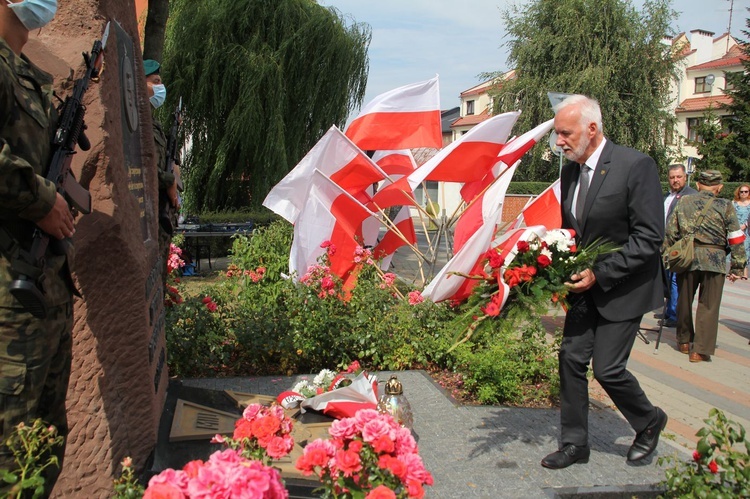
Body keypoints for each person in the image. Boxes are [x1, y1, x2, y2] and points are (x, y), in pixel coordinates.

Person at [541, 94, 667, 469]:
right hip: (584, 287)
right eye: (557, 133)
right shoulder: (569, 172)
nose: (559, 141)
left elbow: (649, 237)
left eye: (565, 133)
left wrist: (601, 272)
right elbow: (573, 231)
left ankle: (649, 421)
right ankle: (575, 444)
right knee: (570, 359)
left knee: (608, 369)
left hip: (624, 286)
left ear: (591, 129)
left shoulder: (636, 166)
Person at [1, 0, 74, 495]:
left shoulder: (23, 70)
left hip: (43, 288)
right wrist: (43, 199)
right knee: (10, 450)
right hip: (8, 292)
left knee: (43, 442)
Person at [665, 170, 746, 363]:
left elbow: (670, 232)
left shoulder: (683, 202)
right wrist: (737, 266)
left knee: (683, 300)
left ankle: (684, 341)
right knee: (708, 305)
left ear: (699, 185)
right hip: (715, 259)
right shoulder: (725, 205)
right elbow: (735, 237)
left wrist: (669, 258)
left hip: (688, 258)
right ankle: (700, 350)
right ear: (719, 187)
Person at [143, 59, 181, 287]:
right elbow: (145, 167)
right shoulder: (140, 121)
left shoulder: (154, 123)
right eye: (155, 82)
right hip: (149, 213)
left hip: (160, 212)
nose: (160, 87)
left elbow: (165, 161)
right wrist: (169, 182)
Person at [661, 164, 696, 328]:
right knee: (667, 279)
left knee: (675, 281)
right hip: (665, 245)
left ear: (685, 177)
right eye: (672, 177)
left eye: (678, 177)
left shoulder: (691, 196)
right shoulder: (667, 196)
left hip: (680, 246)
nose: (675, 180)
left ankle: (675, 315)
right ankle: (669, 311)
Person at [731, 183, 750, 278]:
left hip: (747, 231)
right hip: (735, 229)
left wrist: (746, 225)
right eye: (741, 191)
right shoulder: (734, 203)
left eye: (746, 191)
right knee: (734, 249)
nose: (743, 193)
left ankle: (744, 273)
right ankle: (733, 272)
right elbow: (730, 216)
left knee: (745, 251)